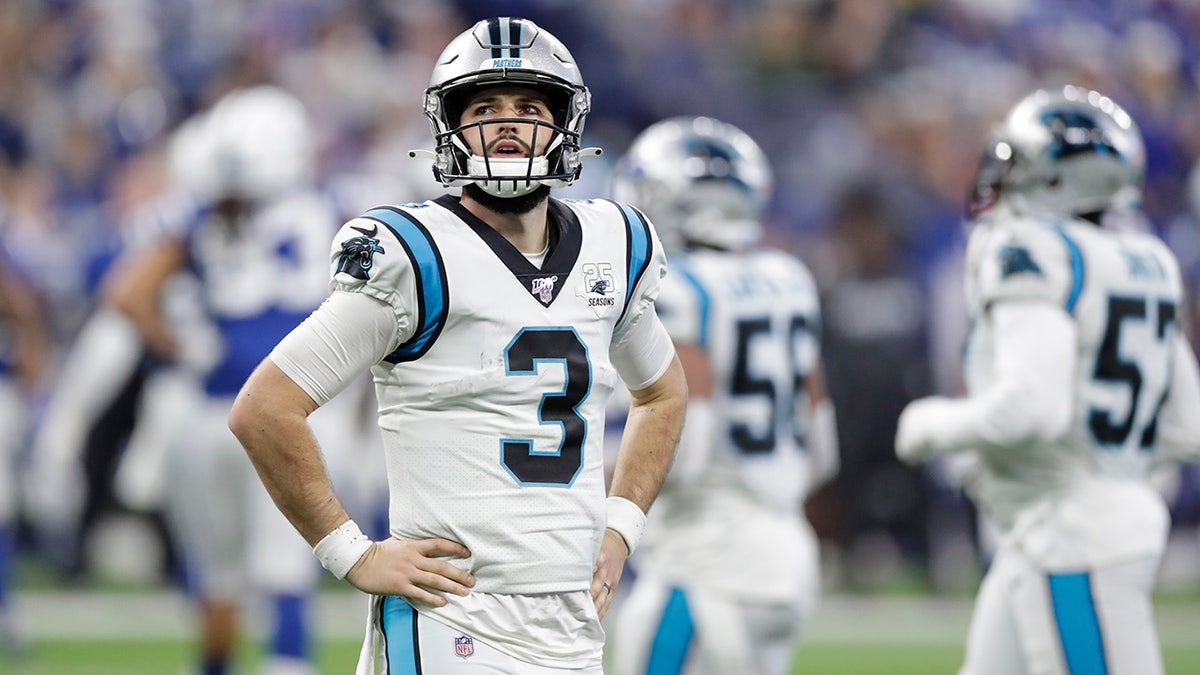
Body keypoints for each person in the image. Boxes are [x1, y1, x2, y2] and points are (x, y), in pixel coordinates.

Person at [227, 16, 687, 675]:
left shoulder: (614, 245)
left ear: (565, 126)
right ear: (450, 126)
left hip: (571, 621)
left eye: (529, 106)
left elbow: (663, 392)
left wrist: (621, 528)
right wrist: (351, 551)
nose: (507, 123)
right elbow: (265, 407)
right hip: (452, 616)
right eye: (484, 107)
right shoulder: (414, 256)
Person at [895, 84, 1200, 675]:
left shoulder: (1032, 246)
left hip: (1071, 536)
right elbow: (1187, 425)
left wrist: (929, 426)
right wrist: (1112, 469)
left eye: (1021, 163)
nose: (1001, 175)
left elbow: (1030, 409)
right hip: (1069, 527)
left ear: (1062, 178)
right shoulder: (1150, 260)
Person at [105, 85, 355, 675]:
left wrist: (184, 347)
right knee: (286, 574)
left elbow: (125, 292)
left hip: (209, 412)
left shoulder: (198, 216)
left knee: (218, 578)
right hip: (297, 413)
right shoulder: (338, 208)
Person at [605, 116, 838, 675]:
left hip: (705, 562)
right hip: (787, 553)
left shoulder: (678, 286)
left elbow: (686, 449)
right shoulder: (788, 276)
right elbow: (822, 447)